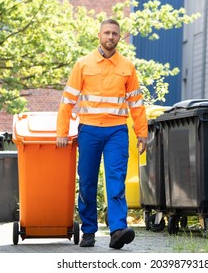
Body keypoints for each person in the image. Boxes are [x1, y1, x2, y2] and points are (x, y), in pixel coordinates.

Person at [56, 19, 148, 249]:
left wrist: (142, 133)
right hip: (89, 130)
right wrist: (62, 132)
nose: (110, 37)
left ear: (119, 38)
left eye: (115, 34)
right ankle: (88, 231)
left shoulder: (127, 67)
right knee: (87, 181)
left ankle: (117, 230)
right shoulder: (83, 65)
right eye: (107, 33)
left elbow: (136, 104)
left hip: (117, 131)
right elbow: (67, 101)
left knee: (116, 179)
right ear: (99, 35)